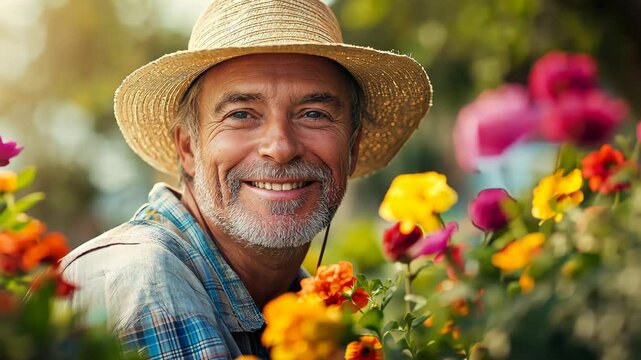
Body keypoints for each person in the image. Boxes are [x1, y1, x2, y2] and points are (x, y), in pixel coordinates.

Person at [60, 0, 432, 358]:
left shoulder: (294, 302)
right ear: (188, 148)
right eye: (241, 114)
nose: (281, 147)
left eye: (314, 113)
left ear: (352, 149)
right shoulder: (145, 280)